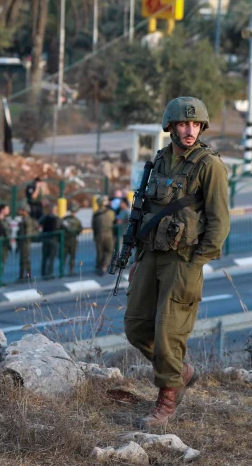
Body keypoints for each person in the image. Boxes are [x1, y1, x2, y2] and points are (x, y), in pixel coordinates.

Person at [124, 97, 229, 429]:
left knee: (169, 333)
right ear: (170, 126)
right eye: (184, 124)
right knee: (137, 326)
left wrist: (198, 260)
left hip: (183, 259)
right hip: (151, 253)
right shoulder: (159, 161)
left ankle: (167, 400)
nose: (190, 130)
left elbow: (220, 221)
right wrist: (137, 256)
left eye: (196, 124)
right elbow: (147, 210)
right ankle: (180, 372)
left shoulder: (209, 165)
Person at [91, 196, 116, 276]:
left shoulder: (95, 214)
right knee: (109, 251)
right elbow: (113, 222)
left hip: (99, 234)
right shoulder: (111, 212)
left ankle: (100, 267)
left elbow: (93, 226)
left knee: (100, 251)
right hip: (109, 233)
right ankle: (105, 265)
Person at [15, 206, 39, 282]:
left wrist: (23, 238)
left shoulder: (27, 220)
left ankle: (27, 275)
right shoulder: (24, 219)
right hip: (22, 241)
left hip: (25, 242)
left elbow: (28, 233)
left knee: (25, 258)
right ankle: (21, 275)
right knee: (22, 259)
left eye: (22, 210)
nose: (21, 212)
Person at [38, 204, 62, 278]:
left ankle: (43, 273)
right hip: (53, 240)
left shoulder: (45, 217)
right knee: (51, 257)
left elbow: (39, 223)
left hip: (45, 239)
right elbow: (60, 227)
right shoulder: (57, 218)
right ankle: (50, 273)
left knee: (45, 257)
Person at [61, 204, 83, 275]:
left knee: (64, 257)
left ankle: (62, 271)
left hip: (65, 240)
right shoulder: (77, 221)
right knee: (72, 257)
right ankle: (71, 271)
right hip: (73, 240)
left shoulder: (64, 219)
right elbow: (80, 230)